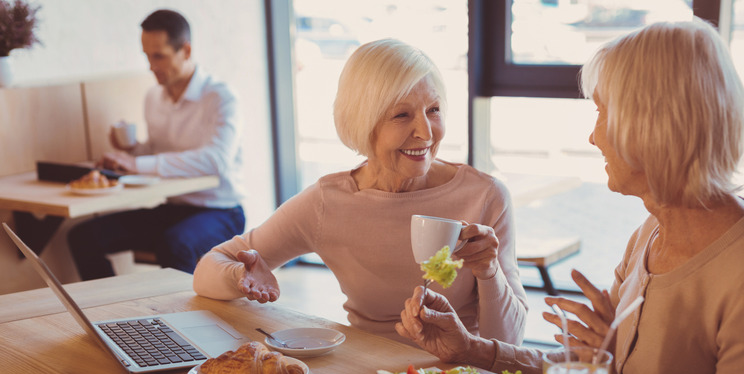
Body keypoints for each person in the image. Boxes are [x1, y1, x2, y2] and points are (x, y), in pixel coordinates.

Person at [395, 19, 744, 374]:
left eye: (601, 112)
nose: (593, 137)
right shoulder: (652, 230)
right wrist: (470, 349)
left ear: (650, 124)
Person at [193, 39, 528, 346]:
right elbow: (207, 271)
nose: (425, 132)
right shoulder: (328, 202)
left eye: (434, 110)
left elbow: (510, 343)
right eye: (402, 114)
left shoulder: (485, 196)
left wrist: (489, 272)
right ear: (364, 122)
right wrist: (241, 275)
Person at [68, 9, 246, 280]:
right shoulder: (153, 97)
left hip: (220, 211)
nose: (151, 65)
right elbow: (157, 154)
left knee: (175, 244)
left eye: (158, 56)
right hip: (173, 208)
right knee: (84, 237)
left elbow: (216, 161)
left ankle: (180, 320)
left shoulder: (221, 98)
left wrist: (137, 163)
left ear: (185, 51)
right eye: (147, 56)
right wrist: (130, 152)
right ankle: (114, 313)